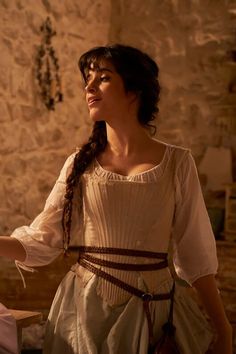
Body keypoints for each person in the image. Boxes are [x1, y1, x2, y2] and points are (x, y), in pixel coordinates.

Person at [0, 44, 232, 354]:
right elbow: (43, 241)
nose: (89, 86)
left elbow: (196, 255)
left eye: (103, 77)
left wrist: (224, 329)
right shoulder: (78, 165)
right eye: (88, 77)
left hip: (154, 313)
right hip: (85, 312)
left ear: (134, 90)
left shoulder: (177, 163)